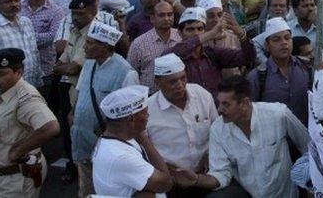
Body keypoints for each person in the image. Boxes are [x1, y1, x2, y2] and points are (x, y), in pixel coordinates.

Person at [176, 75, 308, 198]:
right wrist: (196, 180)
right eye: (219, 103)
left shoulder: (278, 114)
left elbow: (307, 145)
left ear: (244, 103)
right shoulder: (218, 129)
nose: (219, 110)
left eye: (226, 104)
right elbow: (221, 174)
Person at [71, 21, 139, 197]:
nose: (85, 47)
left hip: (106, 149)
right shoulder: (89, 64)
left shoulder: (126, 72)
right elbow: (81, 95)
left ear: (106, 45)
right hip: (82, 142)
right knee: (85, 190)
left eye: (90, 43)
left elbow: (132, 117)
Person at [0, 48, 60, 198]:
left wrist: (18, 150)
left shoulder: (25, 98)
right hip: (0, 175)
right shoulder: (2, 91)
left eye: (0, 74)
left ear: (18, 72)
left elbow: (51, 127)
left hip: (17, 180)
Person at [145, 53, 217, 194]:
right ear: (157, 82)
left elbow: (218, 131)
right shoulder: (147, 111)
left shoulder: (201, 95)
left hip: (205, 177)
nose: (180, 85)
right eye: (172, 81)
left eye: (182, 78)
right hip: (172, 185)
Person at [91, 85, 173, 197]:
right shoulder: (121, 156)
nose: (148, 116)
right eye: (145, 112)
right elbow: (165, 183)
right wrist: (144, 140)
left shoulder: (116, 139)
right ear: (131, 119)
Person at [245, 17, 311, 124]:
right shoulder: (257, 76)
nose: (284, 43)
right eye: (276, 40)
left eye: (287, 38)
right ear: (267, 46)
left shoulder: (305, 67)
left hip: (305, 135)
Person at [126, 0, 182, 91]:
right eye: (162, 15)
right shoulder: (139, 43)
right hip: (150, 96)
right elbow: (131, 72)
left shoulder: (181, 38)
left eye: (170, 14)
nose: (167, 18)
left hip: (178, 94)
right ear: (152, 18)